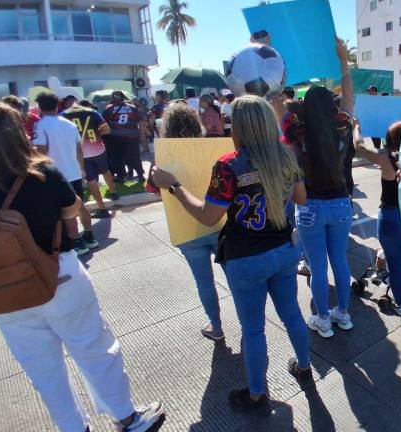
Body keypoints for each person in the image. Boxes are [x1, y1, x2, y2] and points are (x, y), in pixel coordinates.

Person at [0, 101, 165, 432]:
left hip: (5, 294)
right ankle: (127, 417)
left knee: (43, 372)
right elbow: (73, 210)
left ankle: (73, 427)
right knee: (95, 349)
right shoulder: (42, 175)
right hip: (59, 275)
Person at [151, 95, 313, 416]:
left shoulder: (228, 165)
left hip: (246, 257)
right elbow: (302, 198)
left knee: (253, 329)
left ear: (239, 127)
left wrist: (175, 186)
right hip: (284, 249)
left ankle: (256, 395)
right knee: (292, 313)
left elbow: (208, 216)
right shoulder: (287, 156)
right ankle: (305, 366)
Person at [290, 39, 355, 338]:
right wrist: (343, 62)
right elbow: (349, 99)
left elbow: (277, 103)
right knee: (340, 262)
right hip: (341, 203)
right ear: (331, 105)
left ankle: (322, 318)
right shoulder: (342, 124)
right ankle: (343, 314)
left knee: (318, 269)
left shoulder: (297, 130)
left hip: (310, 206)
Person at [158, 103, 226, 341]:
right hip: (220, 223)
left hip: (187, 228)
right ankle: (245, 318)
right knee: (234, 276)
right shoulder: (214, 150)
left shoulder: (163, 157)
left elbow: (157, 191)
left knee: (203, 281)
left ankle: (216, 326)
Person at [353, 121, 401, 315]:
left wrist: (356, 127)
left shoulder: (386, 159)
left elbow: (359, 147)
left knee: (395, 263)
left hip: (390, 217)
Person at [32, 92, 99, 255]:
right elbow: (79, 150)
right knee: (80, 206)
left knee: (66, 210)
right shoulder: (69, 125)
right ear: (57, 106)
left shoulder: (41, 126)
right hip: (74, 170)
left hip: (56, 174)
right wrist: (81, 169)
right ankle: (89, 237)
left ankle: (77, 241)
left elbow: (41, 151)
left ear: (40, 107)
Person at [62, 98, 119, 218]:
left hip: (81, 153)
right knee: (105, 170)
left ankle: (102, 208)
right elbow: (107, 130)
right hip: (98, 148)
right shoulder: (92, 112)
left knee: (91, 180)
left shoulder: (63, 115)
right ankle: (113, 192)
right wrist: (95, 135)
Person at [103, 91, 144, 182]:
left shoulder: (109, 109)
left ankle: (121, 176)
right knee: (134, 156)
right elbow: (141, 122)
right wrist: (141, 135)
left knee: (118, 157)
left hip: (115, 136)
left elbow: (103, 123)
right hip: (132, 136)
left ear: (112, 98)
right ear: (123, 97)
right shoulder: (132, 108)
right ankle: (140, 175)